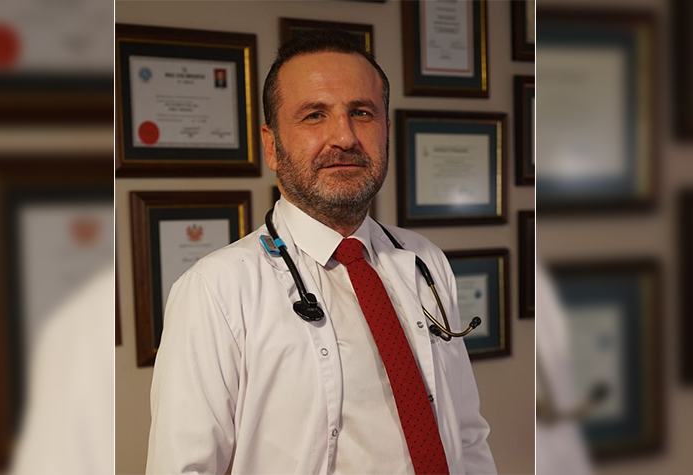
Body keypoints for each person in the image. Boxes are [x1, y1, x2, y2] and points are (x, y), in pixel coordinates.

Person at [146, 30, 496, 475]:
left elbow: (467, 435)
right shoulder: (216, 291)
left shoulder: (424, 260)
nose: (344, 137)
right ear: (271, 145)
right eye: (314, 115)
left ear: (386, 132)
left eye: (362, 113)